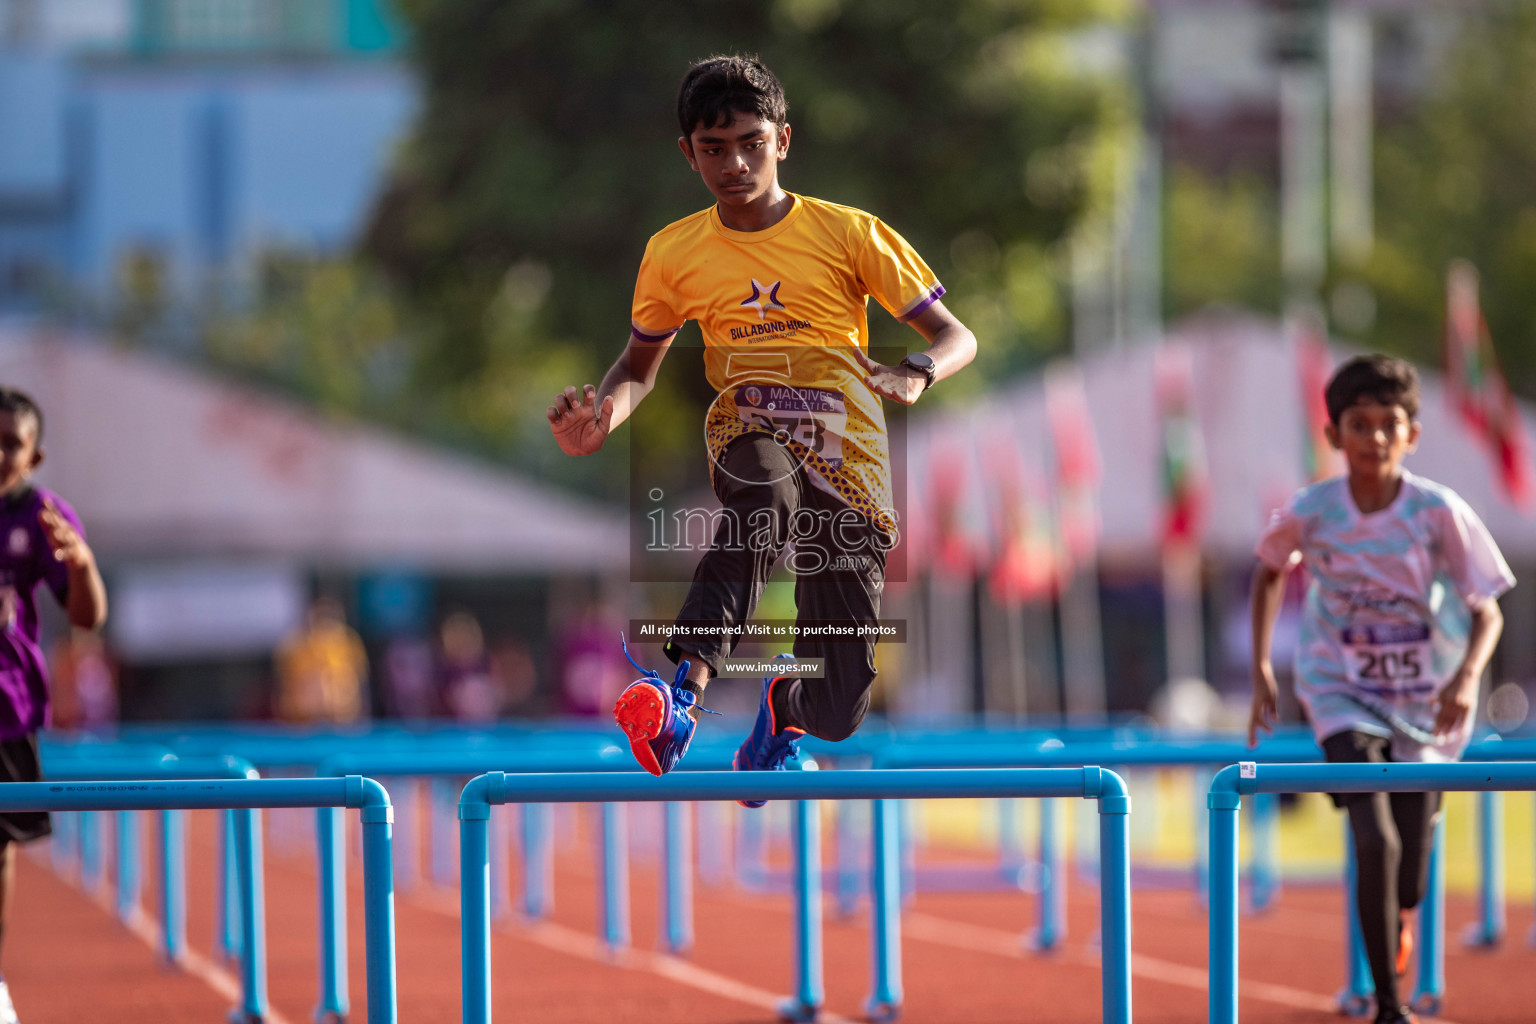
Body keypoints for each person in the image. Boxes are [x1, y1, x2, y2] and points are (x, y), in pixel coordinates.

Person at [547, 55, 976, 791]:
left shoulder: (851, 234)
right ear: (688, 153)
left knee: (840, 710)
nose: (734, 163)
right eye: (713, 149)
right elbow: (637, 367)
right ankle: (682, 695)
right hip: (750, 428)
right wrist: (604, 417)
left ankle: (788, 703)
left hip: (850, 457)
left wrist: (916, 371)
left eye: (750, 141)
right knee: (764, 499)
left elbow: (956, 336)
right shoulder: (673, 253)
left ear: (783, 139)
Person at [1248, 355, 1513, 1024]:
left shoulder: (1437, 511)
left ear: (1412, 435)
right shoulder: (1314, 510)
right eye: (1358, 426)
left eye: (1388, 425)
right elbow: (1269, 570)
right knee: (1375, 839)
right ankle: (1389, 1006)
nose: (1374, 439)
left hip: (1424, 699)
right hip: (1338, 689)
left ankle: (1398, 911)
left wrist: (1466, 680)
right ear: (1335, 435)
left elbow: (1488, 610)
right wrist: (1262, 668)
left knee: (1411, 876)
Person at [0, 386, 108, 1024]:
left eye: (11, 444)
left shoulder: (40, 516)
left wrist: (84, 564)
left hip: (5, 709)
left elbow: (87, 616)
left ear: (35, 458)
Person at [274, 596, 369, 725]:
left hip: (343, 718)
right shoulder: (296, 646)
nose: (325, 624)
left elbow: (360, 681)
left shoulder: (349, 643)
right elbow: (284, 684)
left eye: (329, 618)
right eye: (321, 618)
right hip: (303, 720)